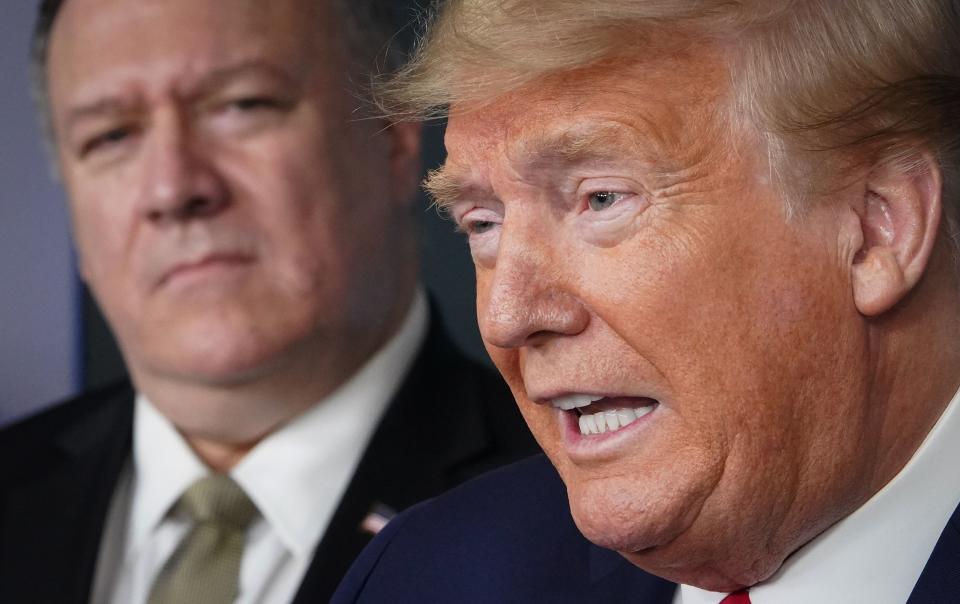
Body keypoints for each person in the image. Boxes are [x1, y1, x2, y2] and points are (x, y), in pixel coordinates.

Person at [333, 1, 960, 603]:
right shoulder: (427, 574)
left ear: (878, 229)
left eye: (601, 199)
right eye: (482, 224)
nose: (509, 316)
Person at [0, 0, 537, 602]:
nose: (173, 188)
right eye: (111, 136)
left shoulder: (570, 506)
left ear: (393, 137)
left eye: (242, 105)